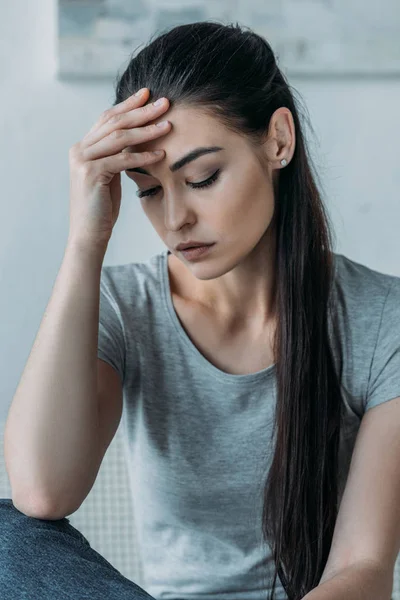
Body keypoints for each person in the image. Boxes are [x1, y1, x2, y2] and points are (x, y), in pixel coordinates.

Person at [2, 20, 400, 600]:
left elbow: (363, 570)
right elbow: (42, 492)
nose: (175, 219)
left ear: (278, 140)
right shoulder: (125, 306)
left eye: (202, 177)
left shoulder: (381, 317)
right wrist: (86, 239)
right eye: (149, 190)